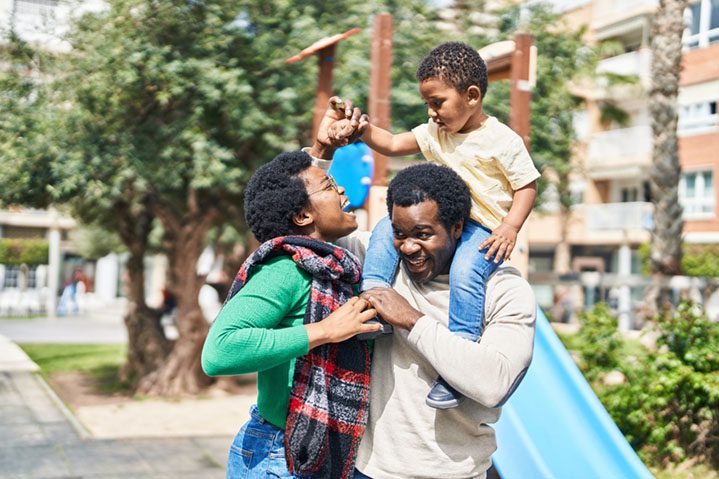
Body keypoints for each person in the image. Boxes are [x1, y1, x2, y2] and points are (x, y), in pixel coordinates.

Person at [333, 41, 541, 409]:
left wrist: (510, 227)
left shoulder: (501, 140)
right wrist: (362, 129)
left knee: (465, 272)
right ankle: (374, 304)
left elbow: (527, 185)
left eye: (438, 102)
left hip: (483, 229)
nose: (431, 112)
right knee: (384, 231)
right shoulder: (435, 132)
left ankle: (457, 357)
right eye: (427, 103)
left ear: (472, 95)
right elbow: (395, 142)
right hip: (445, 222)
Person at [332, 163, 537, 478]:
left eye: (423, 234)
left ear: (456, 227)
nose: (410, 247)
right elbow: (300, 227)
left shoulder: (505, 289)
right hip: (370, 470)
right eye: (399, 234)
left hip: (456, 473)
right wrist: (322, 153)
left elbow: (496, 383)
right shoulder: (381, 264)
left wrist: (412, 321)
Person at [201, 147, 382, 478]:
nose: (341, 189)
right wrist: (325, 331)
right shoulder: (286, 269)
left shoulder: (335, 268)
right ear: (302, 216)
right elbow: (219, 351)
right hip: (279, 455)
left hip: (323, 452)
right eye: (329, 185)